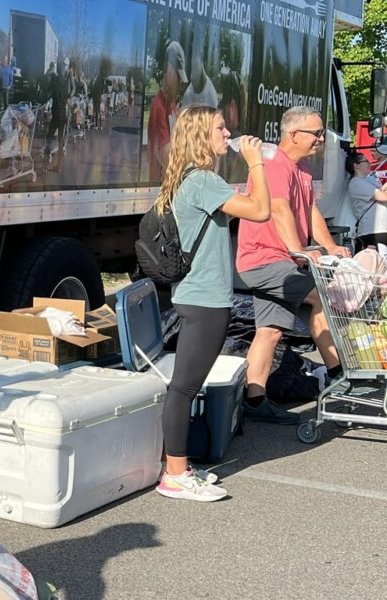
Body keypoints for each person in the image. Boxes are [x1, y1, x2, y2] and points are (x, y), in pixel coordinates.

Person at [156, 106, 270, 501]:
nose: (228, 132)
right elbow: (260, 211)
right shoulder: (202, 180)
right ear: (201, 135)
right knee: (184, 388)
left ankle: (179, 466)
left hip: (199, 295)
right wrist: (256, 163)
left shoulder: (196, 179)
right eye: (220, 127)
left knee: (186, 386)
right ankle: (174, 475)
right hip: (203, 299)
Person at [236, 106, 348, 424]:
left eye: (322, 133)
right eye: (316, 133)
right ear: (293, 134)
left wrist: (329, 246)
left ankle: (254, 401)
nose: (321, 139)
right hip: (265, 258)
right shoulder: (274, 164)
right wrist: (298, 251)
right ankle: (340, 376)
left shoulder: (302, 170)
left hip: (277, 259)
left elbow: (309, 212)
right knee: (322, 296)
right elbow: (280, 209)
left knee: (269, 332)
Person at [148, 41, 186, 182]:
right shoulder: (159, 107)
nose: (180, 85)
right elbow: (167, 157)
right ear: (169, 72)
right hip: (160, 188)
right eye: (179, 78)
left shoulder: (171, 106)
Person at [346, 150, 387, 249]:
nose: (369, 164)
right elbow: (384, 197)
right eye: (366, 161)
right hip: (372, 231)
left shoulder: (367, 180)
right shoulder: (356, 183)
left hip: (380, 229)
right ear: (356, 165)